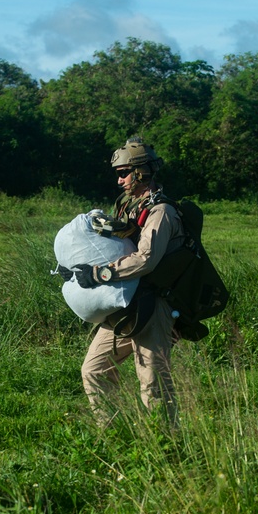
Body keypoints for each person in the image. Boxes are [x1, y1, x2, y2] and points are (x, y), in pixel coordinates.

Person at [73, 136, 186, 428]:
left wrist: (101, 274)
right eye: (119, 174)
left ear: (141, 172)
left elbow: (146, 258)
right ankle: (114, 434)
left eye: (124, 173)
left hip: (155, 305)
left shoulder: (161, 212)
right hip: (126, 303)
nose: (120, 180)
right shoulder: (128, 208)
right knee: (94, 370)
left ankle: (168, 447)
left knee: (153, 384)